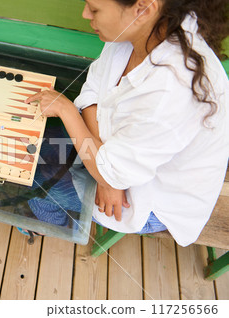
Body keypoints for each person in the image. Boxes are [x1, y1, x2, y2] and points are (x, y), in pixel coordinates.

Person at [26, 0, 229, 246]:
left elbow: (112, 171)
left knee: (34, 183)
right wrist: (106, 174)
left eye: (95, 8)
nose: (85, 14)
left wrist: (67, 111)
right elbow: (92, 90)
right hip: (121, 162)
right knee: (31, 149)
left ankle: (48, 226)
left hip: (154, 199)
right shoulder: (138, 31)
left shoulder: (172, 90)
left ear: (143, 8)